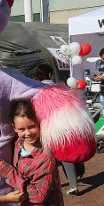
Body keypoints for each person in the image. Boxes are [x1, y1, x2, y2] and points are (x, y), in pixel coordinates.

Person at [34, 63, 83, 195]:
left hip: (46, 128)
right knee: (65, 157)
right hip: (63, 127)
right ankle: (74, 185)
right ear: (50, 74)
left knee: (48, 159)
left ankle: (50, 185)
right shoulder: (62, 88)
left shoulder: (35, 90)